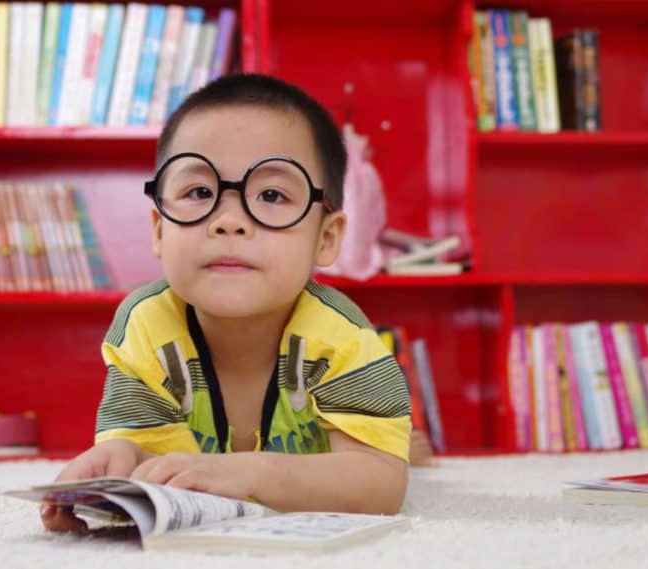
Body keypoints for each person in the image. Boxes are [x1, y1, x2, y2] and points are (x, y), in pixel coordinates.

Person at [43, 73, 417, 532]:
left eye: (272, 195)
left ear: (326, 238)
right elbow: (155, 459)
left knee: (403, 451)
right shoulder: (145, 326)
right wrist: (125, 458)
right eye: (200, 192)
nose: (230, 222)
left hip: (335, 452)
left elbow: (381, 483)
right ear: (160, 230)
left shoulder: (343, 338)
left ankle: (411, 441)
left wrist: (252, 472)